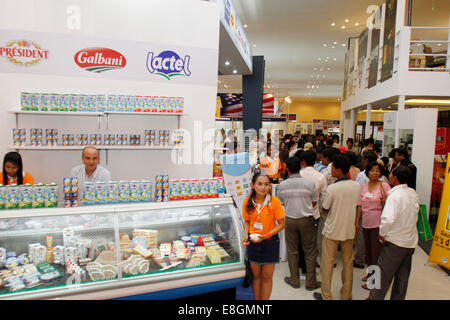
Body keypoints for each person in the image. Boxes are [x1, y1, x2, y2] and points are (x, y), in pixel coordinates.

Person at [313, 155, 361, 300]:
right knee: (347, 263)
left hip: (332, 230)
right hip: (349, 230)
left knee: (327, 263)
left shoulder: (333, 188)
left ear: (339, 171)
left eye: (333, 167)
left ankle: (326, 294)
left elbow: (325, 208)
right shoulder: (356, 186)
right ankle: (346, 294)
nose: (331, 170)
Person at [367, 166, 419, 300]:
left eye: (391, 173)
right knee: (402, 279)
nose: (389, 176)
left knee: (382, 277)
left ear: (395, 177)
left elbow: (388, 219)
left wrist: (382, 233)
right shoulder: (412, 193)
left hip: (395, 242)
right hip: (410, 242)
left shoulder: (395, 196)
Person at [241, 173, 286, 300]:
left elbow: (282, 224)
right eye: (259, 184)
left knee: (266, 277)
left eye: (266, 184)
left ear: (270, 186)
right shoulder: (247, 202)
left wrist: (266, 235)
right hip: (253, 242)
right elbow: (247, 221)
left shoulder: (274, 202)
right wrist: (246, 235)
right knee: (256, 276)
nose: (263, 187)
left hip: (270, 241)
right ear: (252, 185)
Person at [279, 156, 320, 290]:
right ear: (300, 167)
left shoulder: (283, 185)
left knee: (292, 251)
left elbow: (282, 202)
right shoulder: (309, 183)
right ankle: (311, 282)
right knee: (310, 251)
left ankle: (294, 280)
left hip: (290, 220)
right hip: (306, 219)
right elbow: (314, 201)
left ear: (288, 170)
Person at [355, 162, 391, 290]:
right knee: (368, 252)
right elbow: (360, 205)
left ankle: (374, 281)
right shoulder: (364, 186)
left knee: (376, 253)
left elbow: (391, 203)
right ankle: (370, 273)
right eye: (372, 170)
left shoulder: (384, 186)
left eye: (377, 171)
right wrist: (356, 223)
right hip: (365, 222)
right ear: (367, 172)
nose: (375, 173)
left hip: (378, 223)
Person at [300, 151, 328, 265]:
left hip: (297, 213)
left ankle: (300, 263)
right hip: (313, 213)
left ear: (303, 162)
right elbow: (324, 196)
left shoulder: (298, 174)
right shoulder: (321, 176)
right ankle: (311, 262)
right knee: (312, 240)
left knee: (299, 240)